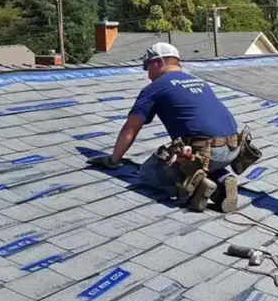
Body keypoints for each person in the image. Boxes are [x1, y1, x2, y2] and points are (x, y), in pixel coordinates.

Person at [87, 42, 244, 213]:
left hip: (208, 152)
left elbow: (131, 128)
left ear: (157, 62)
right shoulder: (200, 82)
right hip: (234, 148)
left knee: (147, 173)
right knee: (190, 154)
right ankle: (222, 180)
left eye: (147, 68)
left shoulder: (155, 88)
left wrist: (113, 160)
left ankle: (191, 189)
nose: (148, 75)